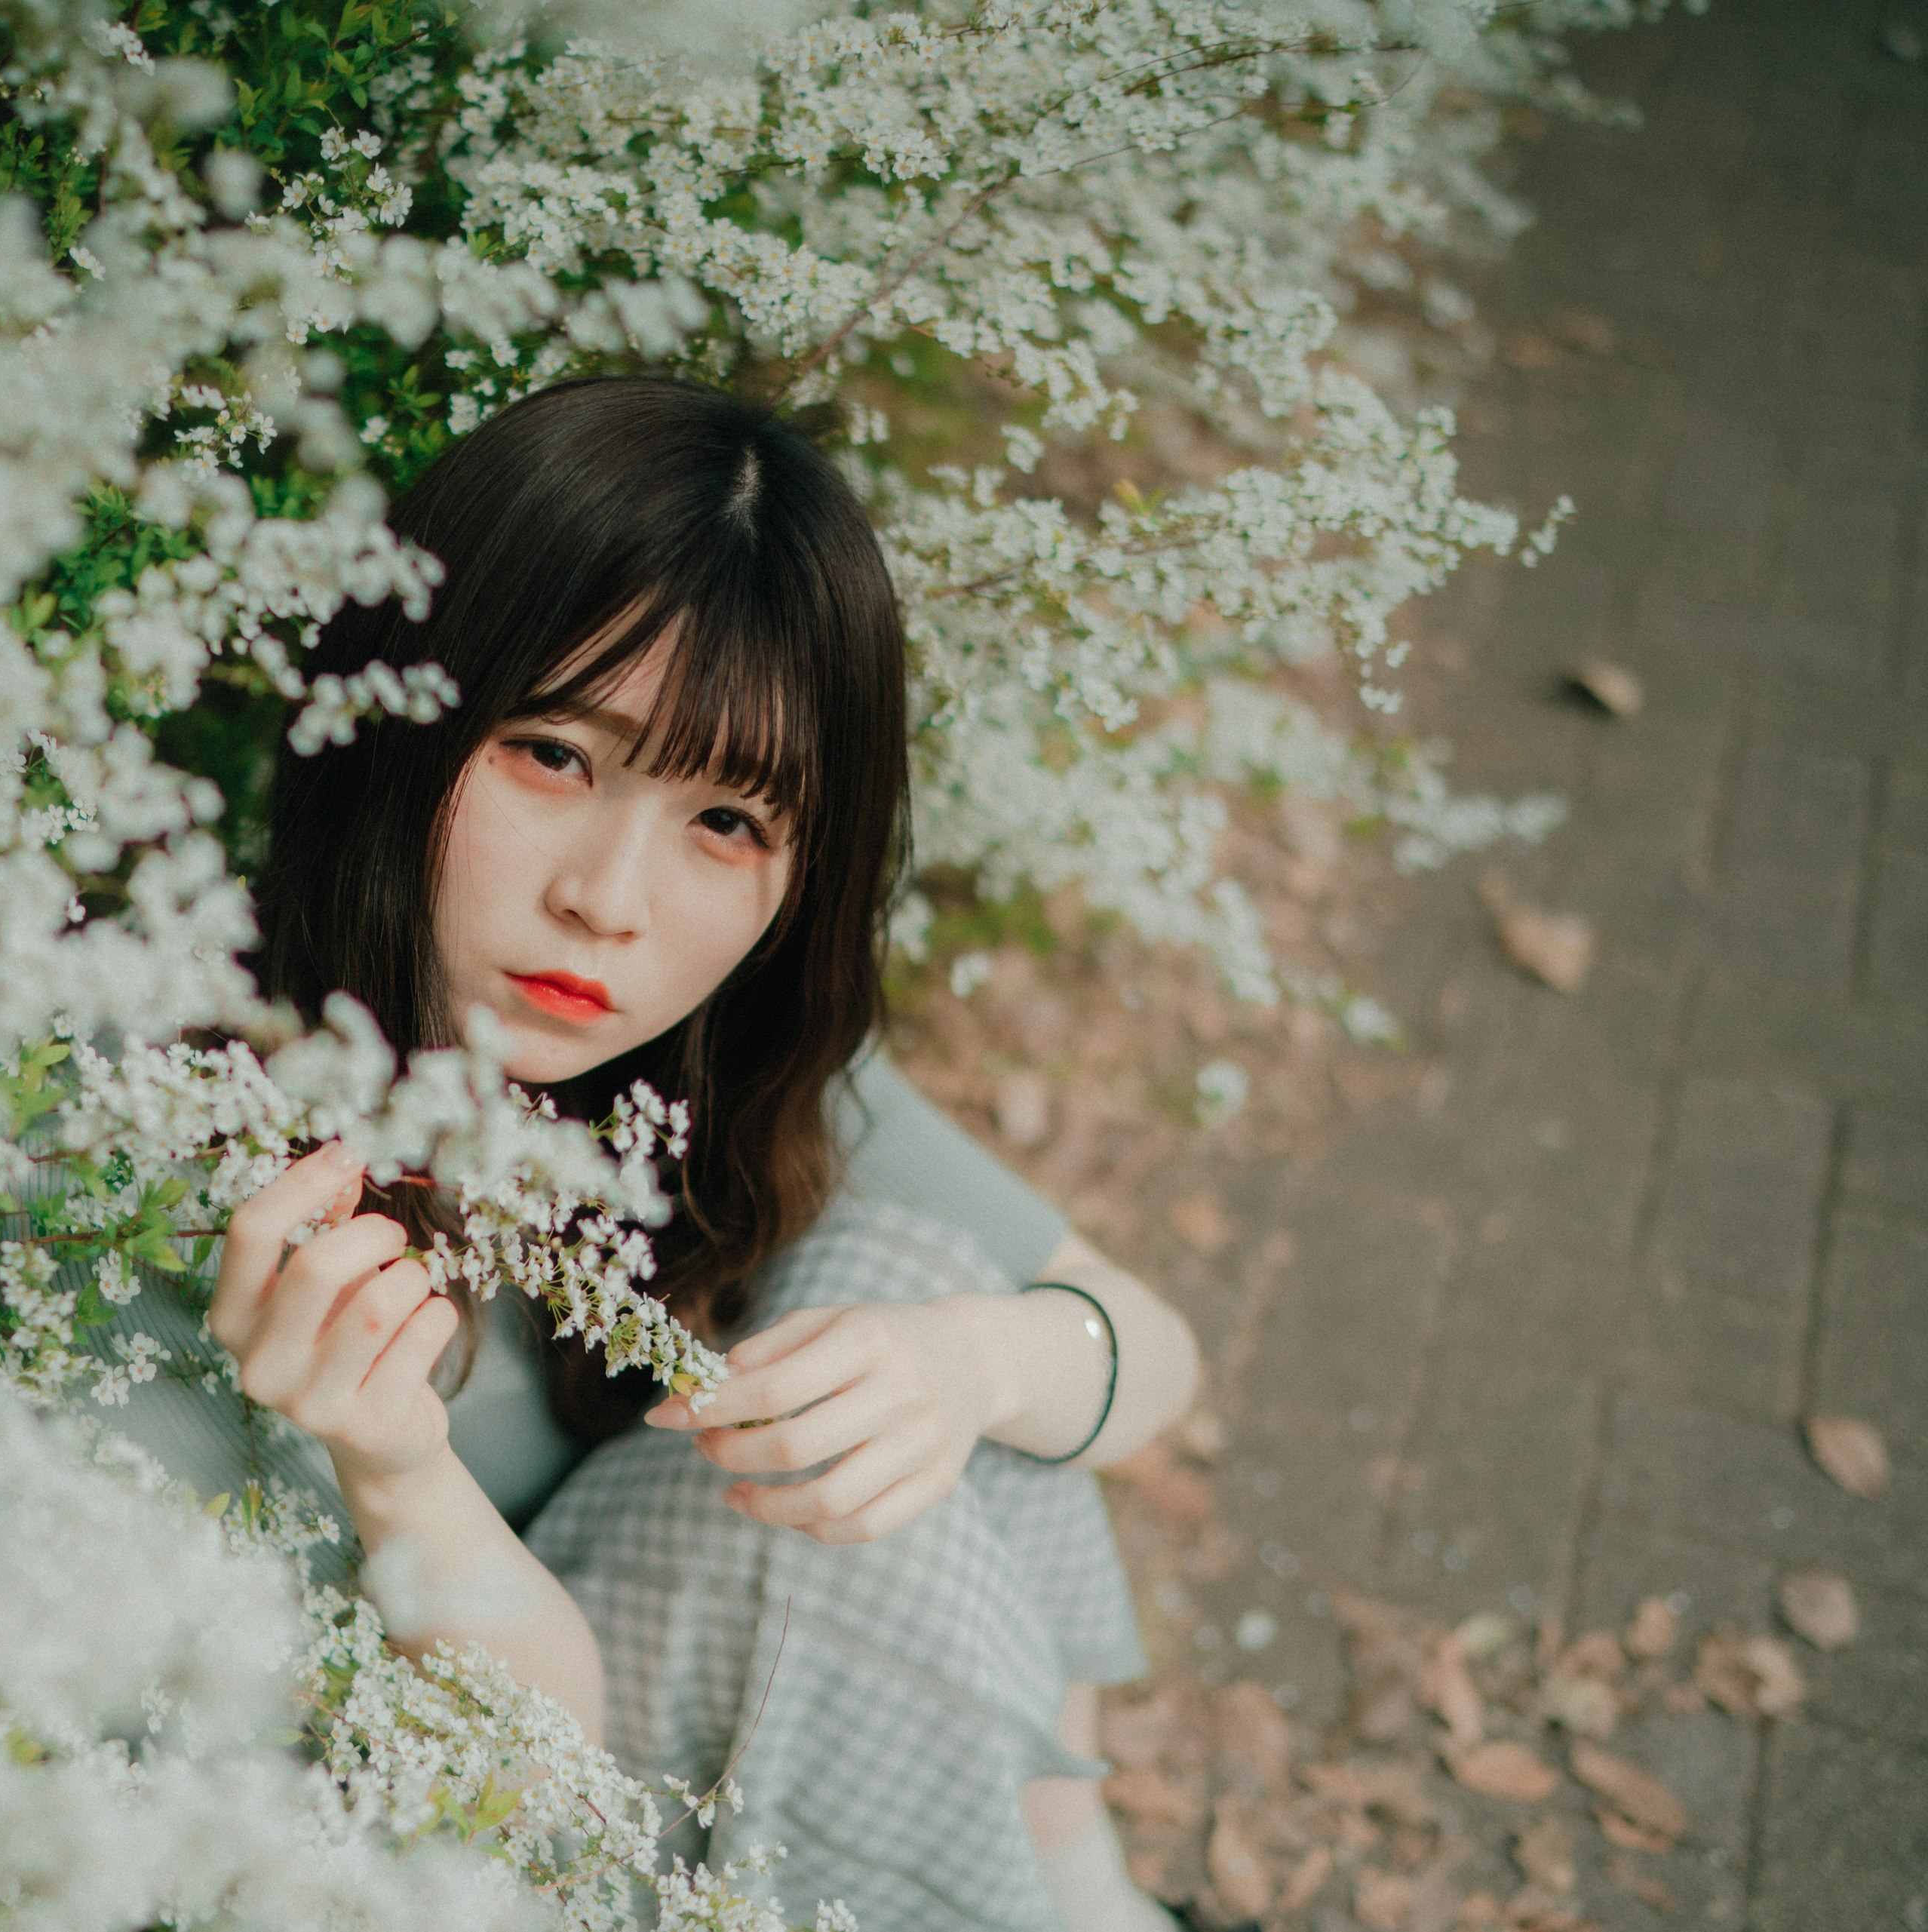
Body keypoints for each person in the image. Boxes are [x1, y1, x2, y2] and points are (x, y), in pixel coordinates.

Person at [105, 376, 1201, 1932]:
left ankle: (1087, 1906)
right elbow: (514, 1811)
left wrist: (975, 1365)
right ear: (404, 710)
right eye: (553, 753)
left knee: (917, 1321)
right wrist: (397, 1474)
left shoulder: (703, 1063)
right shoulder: (174, 1153)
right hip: (427, 1849)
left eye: (728, 821)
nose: (611, 902)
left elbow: (1147, 1357)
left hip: (680, 1754)